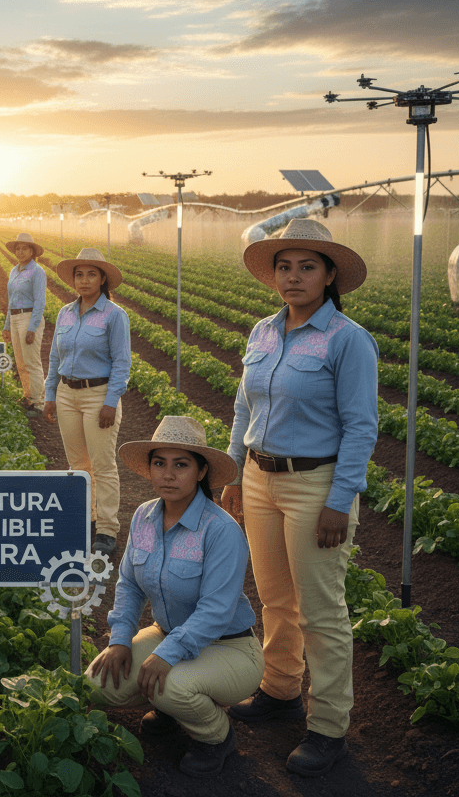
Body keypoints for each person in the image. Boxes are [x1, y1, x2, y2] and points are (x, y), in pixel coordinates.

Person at [221, 218, 379, 777]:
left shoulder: (348, 340)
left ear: (330, 274)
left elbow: (361, 426)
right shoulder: (262, 332)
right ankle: (280, 688)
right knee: (273, 596)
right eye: (284, 267)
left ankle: (329, 726)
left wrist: (342, 498)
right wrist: (235, 471)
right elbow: (245, 409)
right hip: (261, 480)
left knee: (321, 610)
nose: (293, 277)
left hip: (316, 484)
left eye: (307, 266)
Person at [87, 416, 263, 778]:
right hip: (168, 634)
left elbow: (216, 611)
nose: (168, 474)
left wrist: (166, 655)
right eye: (159, 463)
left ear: (200, 472)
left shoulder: (221, 531)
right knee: (97, 682)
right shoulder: (145, 517)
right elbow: (130, 584)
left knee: (172, 687)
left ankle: (216, 737)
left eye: (180, 465)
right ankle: (171, 707)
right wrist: (120, 640)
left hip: (228, 648)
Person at [43, 248, 131, 555]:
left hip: (98, 396)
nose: (84, 280)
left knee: (103, 464)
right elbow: (55, 357)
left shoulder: (115, 315)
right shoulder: (65, 312)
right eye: (79, 274)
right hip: (67, 395)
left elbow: (122, 363)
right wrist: (50, 394)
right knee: (78, 464)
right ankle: (88, 518)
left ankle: (107, 529)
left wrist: (111, 402)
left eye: (91, 274)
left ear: (103, 278)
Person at [1, 232, 48, 416]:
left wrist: (32, 328)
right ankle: (28, 395)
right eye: (18, 249)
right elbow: (11, 300)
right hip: (15, 318)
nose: (20, 252)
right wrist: (6, 325)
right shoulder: (14, 270)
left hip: (29, 317)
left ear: (32, 251)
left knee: (32, 361)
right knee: (20, 361)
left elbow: (40, 302)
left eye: (24, 249)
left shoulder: (37, 272)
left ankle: (38, 403)